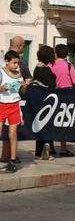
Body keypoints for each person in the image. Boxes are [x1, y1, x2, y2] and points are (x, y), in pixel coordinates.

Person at [0, 36, 32, 164]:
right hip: (2, 104)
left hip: (14, 105)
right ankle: (5, 155)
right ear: (7, 61)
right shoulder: (1, 72)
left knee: (13, 135)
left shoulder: (18, 74)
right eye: (14, 63)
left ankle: (12, 160)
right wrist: (1, 88)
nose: (17, 65)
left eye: (18, 63)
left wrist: (24, 86)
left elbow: (22, 91)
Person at [49, 44, 75, 157]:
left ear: (56, 53)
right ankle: (63, 148)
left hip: (52, 97)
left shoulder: (50, 64)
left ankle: (51, 147)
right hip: (66, 98)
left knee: (51, 122)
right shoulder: (69, 66)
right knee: (63, 122)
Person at [32, 45, 57, 160]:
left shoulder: (37, 68)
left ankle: (39, 151)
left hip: (38, 100)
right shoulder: (46, 70)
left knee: (40, 126)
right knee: (46, 126)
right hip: (47, 102)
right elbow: (51, 86)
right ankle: (46, 149)